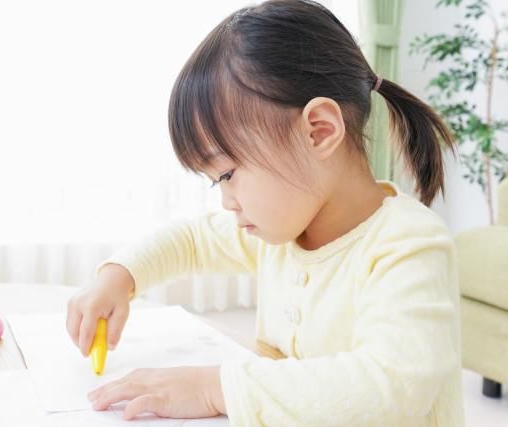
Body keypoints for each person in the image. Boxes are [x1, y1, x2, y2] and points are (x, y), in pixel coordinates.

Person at [66, 1, 464, 425]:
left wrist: (212, 388)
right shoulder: (285, 231)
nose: (226, 201)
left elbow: (388, 387)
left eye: (228, 174)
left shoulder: (408, 244)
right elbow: (191, 240)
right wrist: (118, 277)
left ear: (319, 131)